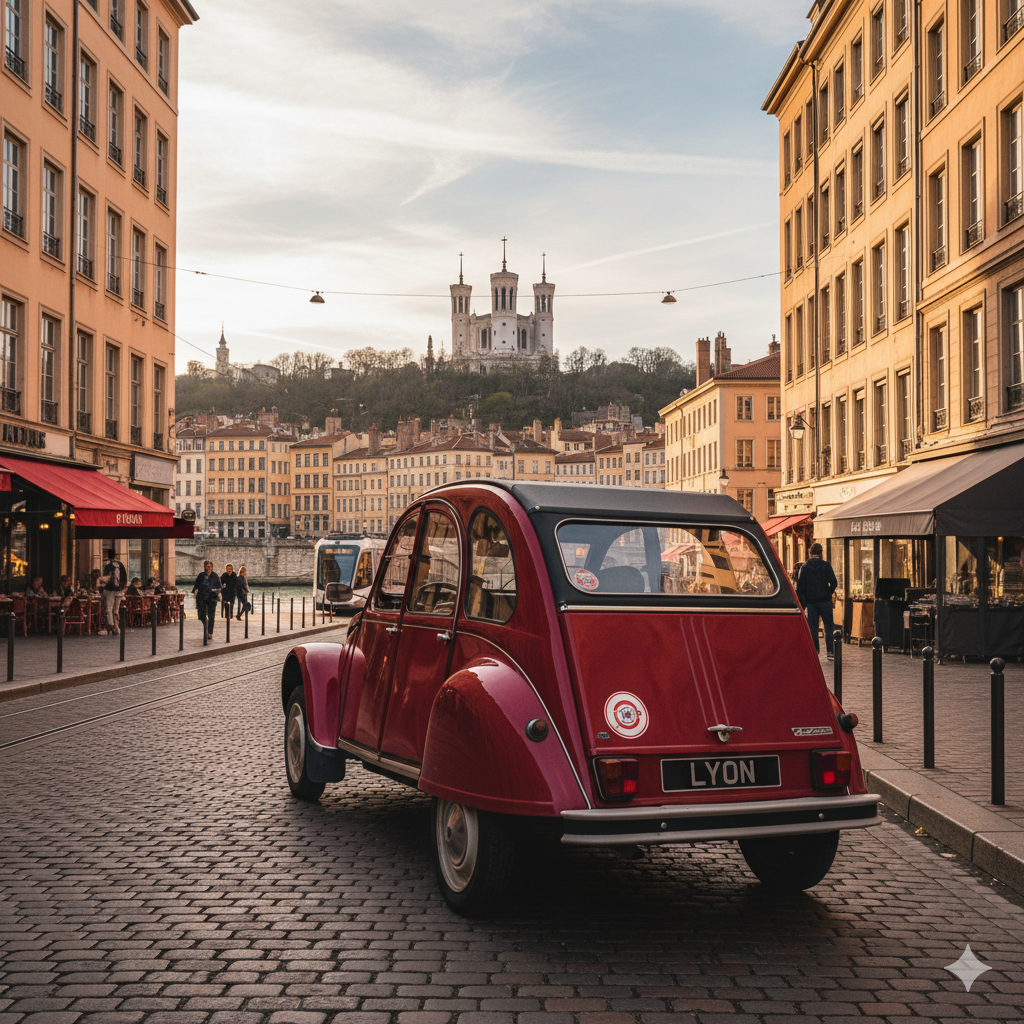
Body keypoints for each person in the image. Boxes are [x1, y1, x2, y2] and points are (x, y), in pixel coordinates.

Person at [796, 542, 839, 660]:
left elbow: (800, 588)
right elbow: (834, 582)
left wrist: (803, 602)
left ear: (810, 553)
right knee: (828, 627)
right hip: (825, 601)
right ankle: (830, 652)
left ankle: (815, 651)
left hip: (811, 602)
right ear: (821, 553)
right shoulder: (826, 566)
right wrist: (828, 592)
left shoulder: (804, 567)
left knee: (813, 627)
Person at [191, 560, 222, 640]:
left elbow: (219, 587)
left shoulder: (215, 576)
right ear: (204, 567)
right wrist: (195, 590)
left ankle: (210, 633)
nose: (208, 568)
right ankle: (205, 624)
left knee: (211, 616)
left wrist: (220, 596)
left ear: (212, 567)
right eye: (207, 567)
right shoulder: (201, 576)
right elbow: (196, 586)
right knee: (201, 615)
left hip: (212, 598)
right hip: (202, 598)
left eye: (210, 567)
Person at [101, 548, 128, 635]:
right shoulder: (120, 565)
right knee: (116, 610)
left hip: (110, 590)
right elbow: (124, 577)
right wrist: (122, 587)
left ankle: (111, 625)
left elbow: (106, 578)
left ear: (108, 556)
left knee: (109, 609)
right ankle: (117, 627)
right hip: (119, 590)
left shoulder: (108, 565)